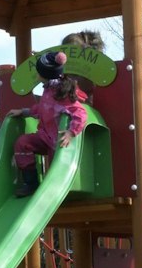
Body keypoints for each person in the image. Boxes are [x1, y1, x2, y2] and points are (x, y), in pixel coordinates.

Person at [11, 50, 91, 198]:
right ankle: (31, 182)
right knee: (22, 143)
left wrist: (71, 132)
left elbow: (80, 113)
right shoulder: (49, 89)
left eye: (38, 72)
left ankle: (56, 187)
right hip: (45, 137)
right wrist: (24, 112)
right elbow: (43, 108)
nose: (37, 75)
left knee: (56, 164)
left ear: (44, 74)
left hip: (58, 141)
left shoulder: (61, 92)